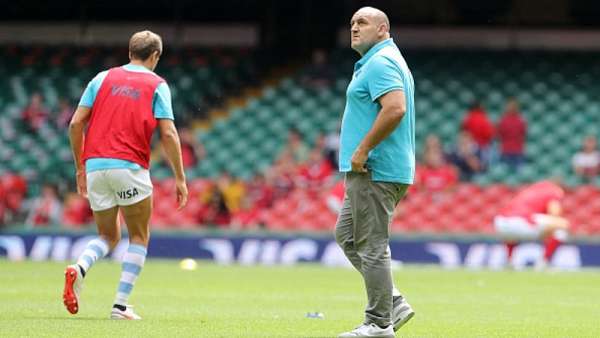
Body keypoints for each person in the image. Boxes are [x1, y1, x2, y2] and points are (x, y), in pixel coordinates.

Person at [63, 30, 188, 320]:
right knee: (139, 236)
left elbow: (75, 124)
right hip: (129, 167)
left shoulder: (101, 78)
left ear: (129, 51)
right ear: (155, 56)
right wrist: (180, 177)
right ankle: (120, 305)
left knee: (107, 235)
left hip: (95, 166)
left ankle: (79, 267)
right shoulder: (157, 85)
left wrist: (80, 166)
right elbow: (168, 132)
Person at [335, 7, 415, 338]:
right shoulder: (378, 60)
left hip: (374, 168)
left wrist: (363, 149)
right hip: (373, 169)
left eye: (362, 23)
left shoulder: (381, 62)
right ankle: (392, 301)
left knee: (371, 245)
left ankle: (379, 323)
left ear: (382, 29)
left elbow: (395, 108)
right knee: (347, 235)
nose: (354, 28)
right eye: (352, 22)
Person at [494, 179, 570, 269]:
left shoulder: (532, 188)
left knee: (512, 234)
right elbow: (554, 214)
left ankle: (510, 261)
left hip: (500, 223)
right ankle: (542, 262)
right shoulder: (555, 190)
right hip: (522, 222)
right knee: (562, 225)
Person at [497, 98, 527, 169]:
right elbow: (524, 134)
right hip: (512, 150)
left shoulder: (503, 120)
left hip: (510, 150)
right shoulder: (521, 120)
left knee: (505, 175)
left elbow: (499, 135)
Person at [461, 100, 494, 165]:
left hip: (471, 147)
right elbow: (489, 134)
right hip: (483, 146)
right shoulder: (483, 118)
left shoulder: (467, 118)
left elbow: (463, 132)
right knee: (483, 166)